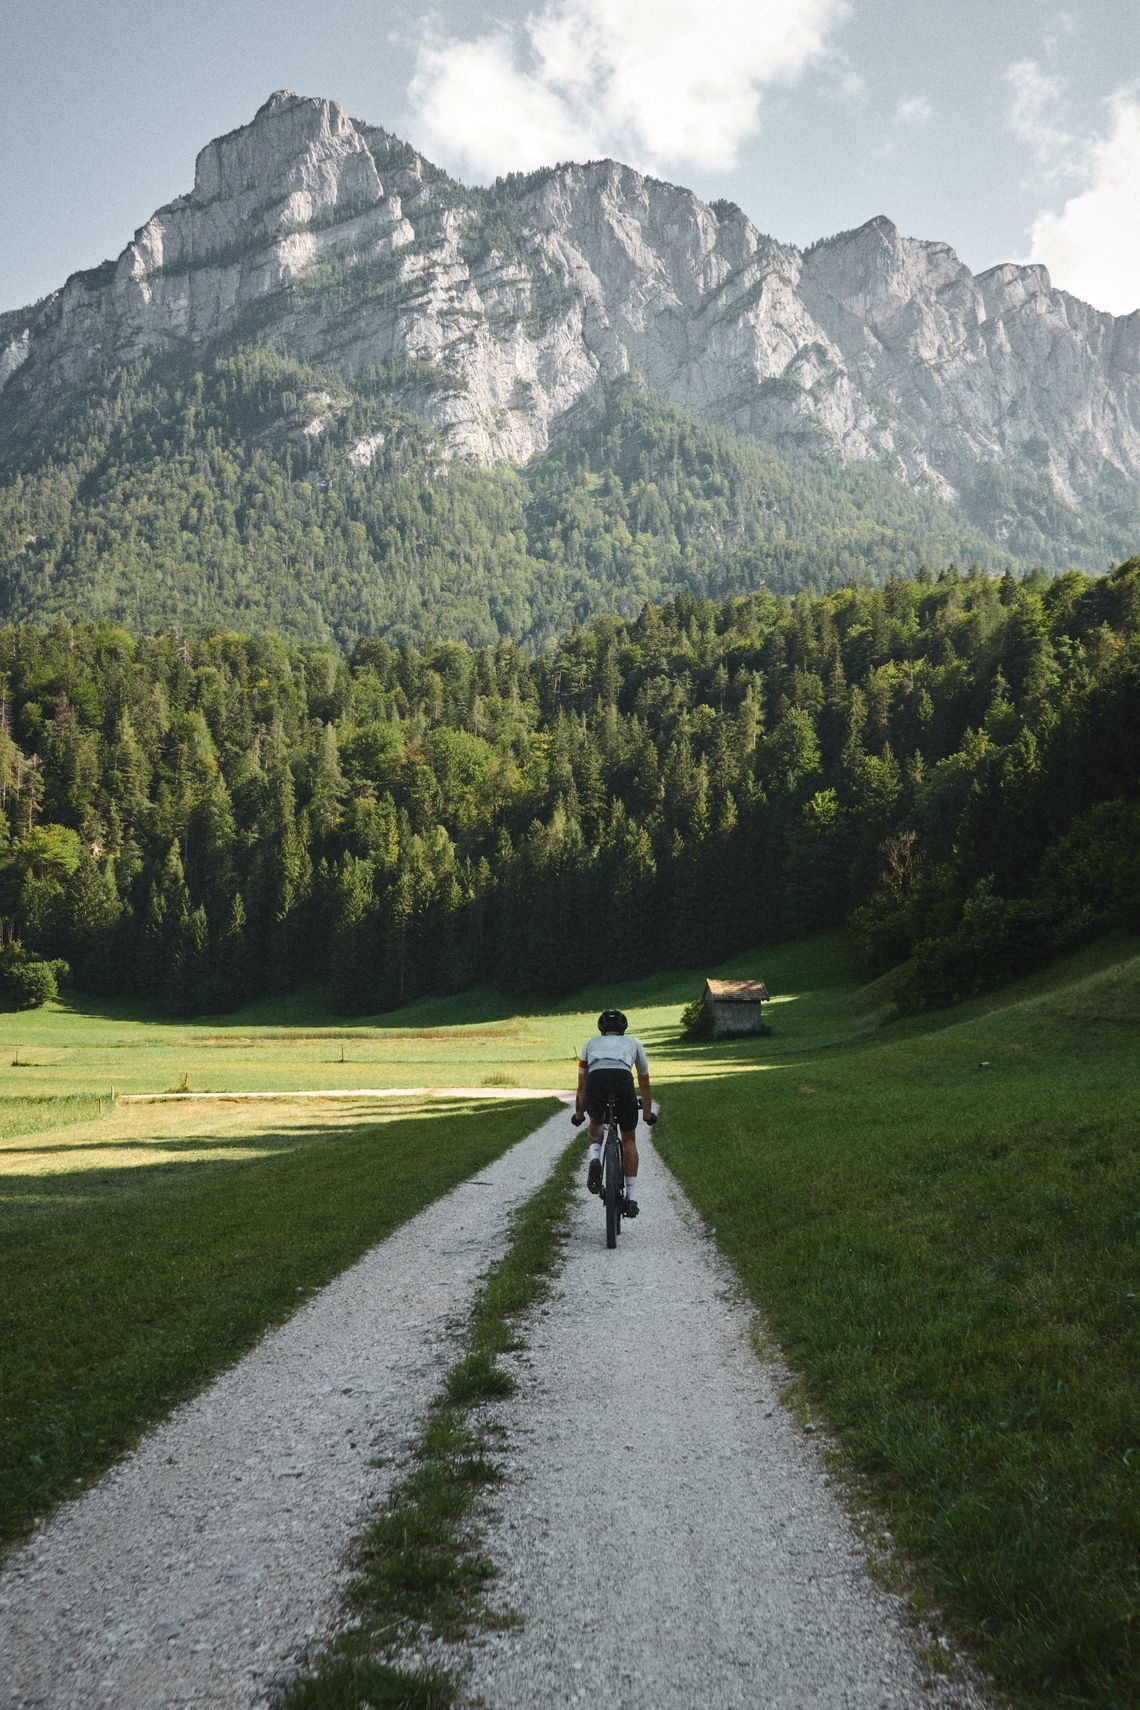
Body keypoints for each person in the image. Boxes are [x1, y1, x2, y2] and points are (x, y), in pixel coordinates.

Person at [570, 1008, 656, 1216]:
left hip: (596, 1081)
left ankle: (595, 1158)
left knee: (596, 1123)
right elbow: (644, 1081)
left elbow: (582, 1085)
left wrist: (580, 1114)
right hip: (622, 1081)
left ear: (601, 1029)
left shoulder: (589, 1043)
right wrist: (647, 1113)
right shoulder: (634, 1043)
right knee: (628, 1139)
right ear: (623, 1028)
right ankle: (632, 1198)